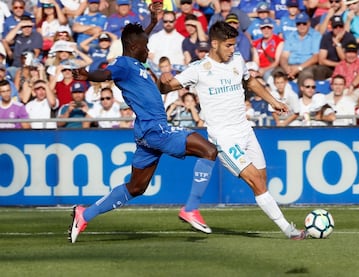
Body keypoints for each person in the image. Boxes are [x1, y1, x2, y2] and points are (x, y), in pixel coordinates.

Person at [68, 4, 218, 243]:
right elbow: (107, 74)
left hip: (147, 132)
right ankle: (191, 208)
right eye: (145, 46)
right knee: (209, 150)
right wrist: (88, 76)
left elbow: (139, 40)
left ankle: (84, 214)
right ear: (135, 48)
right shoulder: (124, 65)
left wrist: (152, 19)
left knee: (136, 188)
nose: (148, 49)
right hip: (155, 128)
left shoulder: (136, 62)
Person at [159, 21, 306, 240]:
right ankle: (289, 230)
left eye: (234, 45)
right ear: (215, 43)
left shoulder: (237, 60)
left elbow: (251, 82)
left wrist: (273, 100)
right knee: (256, 181)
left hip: (246, 130)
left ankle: (283, 225)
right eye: (228, 45)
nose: (232, 49)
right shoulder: (198, 70)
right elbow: (167, 87)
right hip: (224, 137)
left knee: (262, 179)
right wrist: (163, 81)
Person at [279, 12, 322, 80]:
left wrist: (299, 68)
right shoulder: (291, 36)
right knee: (277, 74)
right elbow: (284, 56)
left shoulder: (316, 36)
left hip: (307, 66)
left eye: (304, 23)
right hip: (290, 66)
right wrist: (286, 68)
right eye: (298, 24)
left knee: (305, 75)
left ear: (309, 23)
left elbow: (315, 57)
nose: (301, 26)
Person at [318, 15, 356, 79]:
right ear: (331, 28)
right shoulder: (326, 37)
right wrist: (338, 64)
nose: (338, 29)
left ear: (343, 26)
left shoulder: (350, 38)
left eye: (340, 26)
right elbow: (321, 60)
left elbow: (345, 59)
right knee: (318, 70)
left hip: (346, 67)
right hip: (329, 67)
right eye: (335, 27)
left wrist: (337, 44)